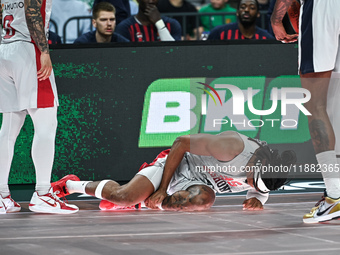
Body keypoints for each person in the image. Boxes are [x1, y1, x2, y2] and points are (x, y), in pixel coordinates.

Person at [52, 131, 296, 211]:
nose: (250, 185)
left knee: (204, 199)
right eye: (252, 182)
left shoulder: (268, 171)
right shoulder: (231, 147)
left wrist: (255, 199)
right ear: (256, 165)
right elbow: (181, 143)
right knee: (123, 196)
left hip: (196, 183)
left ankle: (143, 201)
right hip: (178, 163)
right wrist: (160, 189)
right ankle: (70, 185)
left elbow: (261, 190)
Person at [0, 0, 78, 214]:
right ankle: (43, 194)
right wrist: (44, 50)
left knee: (8, 130)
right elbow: (32, 10)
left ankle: (1, 195)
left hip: (5, 47)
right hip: (28, 48)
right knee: (46, 123)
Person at [271, 0, 340, 223]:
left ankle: (335, 196)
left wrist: (276, 17)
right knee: (333, 104)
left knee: (316, 105)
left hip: (323, 6)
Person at [115, 0, 182, 42]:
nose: (151, 1)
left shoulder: (172, 24)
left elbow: (175, 53)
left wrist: (159, 23)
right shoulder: (125, 27)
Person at [207, 0, 274, 40]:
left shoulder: (266, 37)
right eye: (243, 7)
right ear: (237, 12)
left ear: (258, 14)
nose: (246, 10)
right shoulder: (220, 32)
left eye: (252, 8)